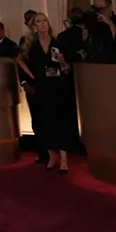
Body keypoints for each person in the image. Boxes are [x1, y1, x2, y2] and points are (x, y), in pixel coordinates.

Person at [17, 13, 76, 173]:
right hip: (41, 86)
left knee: (61, 121)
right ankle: (51, 156)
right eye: (39, 22)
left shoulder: (58, 41)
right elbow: (19, 60)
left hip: (58, 85)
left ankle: (64, 158)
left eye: (45, 21)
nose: (42, 24)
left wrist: (63, 61)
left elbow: (67, 68)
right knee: (45, 122)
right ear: (34, 26)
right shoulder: (30, 43)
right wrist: (29, 75)